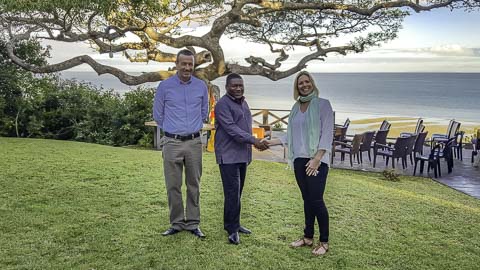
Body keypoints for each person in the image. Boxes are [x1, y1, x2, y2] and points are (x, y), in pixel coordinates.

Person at [266, 70, 334, 256]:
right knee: (307, 199)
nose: (304, 85)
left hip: (317, 161)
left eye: (306, 81)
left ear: (312, 83)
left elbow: (327, 135)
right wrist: (269, 142)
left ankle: (324, 242)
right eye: (300, 83)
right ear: (297, 87)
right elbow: (290, 134)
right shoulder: (296, 108)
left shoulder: (323, 105)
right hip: (299, 160)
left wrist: (317, 159)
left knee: (317, 200)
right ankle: (307, 237)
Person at [153, 49, 208, 239]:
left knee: (194, 184)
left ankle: (193, 223)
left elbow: (204, 112)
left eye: (190, 64)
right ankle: (176, 223)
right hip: (172, 143)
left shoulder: (201, 86)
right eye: (183, 64)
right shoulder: (164, 86)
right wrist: (172, 129)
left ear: (193, 65)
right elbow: (157, 115)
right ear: (176, 64)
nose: (187, 67)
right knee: (173, 185)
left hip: (194, 142)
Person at [214, 73, 269, 245]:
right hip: (228, 155)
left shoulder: (243, 102)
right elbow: (231, 129)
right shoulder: (222, 104)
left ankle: (235, 224)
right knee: (232, 193)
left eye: (240, 85)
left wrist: (253, 144)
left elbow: (244, 127)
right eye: (234, 85)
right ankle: (231, 230)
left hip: (242, 155)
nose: (238, 88)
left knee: (238, 193)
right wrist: (254, 140)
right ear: (227, 87)